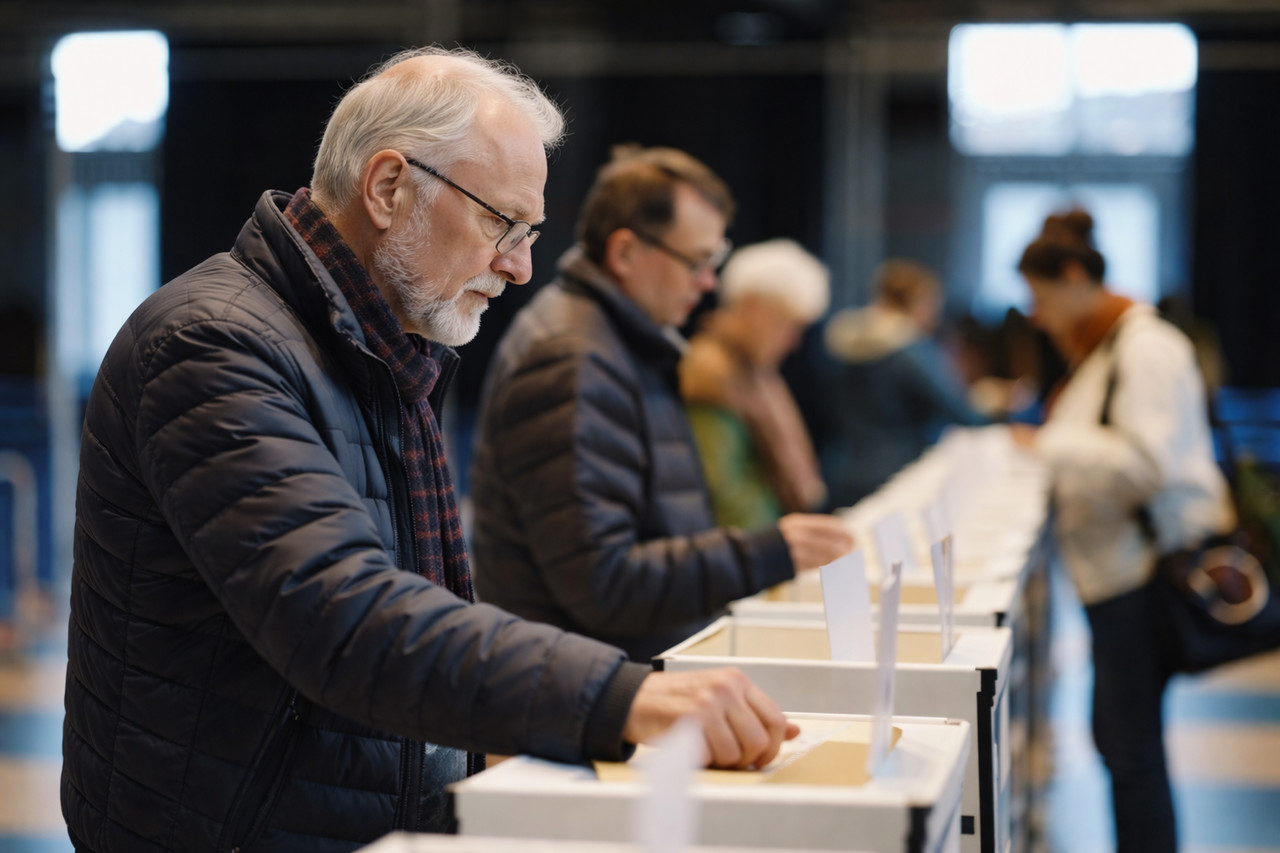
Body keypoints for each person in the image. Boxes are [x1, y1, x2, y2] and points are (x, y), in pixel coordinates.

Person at [61, 49, 804, 853]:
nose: (519, 266)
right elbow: (340, 613)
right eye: (502, 223)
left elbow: (422, 602)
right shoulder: (213, 344)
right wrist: (618, 697)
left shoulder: (381, 346)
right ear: (388, 188)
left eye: (530, 233)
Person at [469, 145, 854, 662]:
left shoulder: (619, 344)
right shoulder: (573, 359)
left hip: (621, 682)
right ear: (625, 253)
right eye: (696, 261)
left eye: (713, 262)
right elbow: (603, 583)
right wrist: (765, 553)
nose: (709, 282)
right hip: (586, 703)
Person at [1009, 209, 1234, 853]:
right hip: (1115, 576)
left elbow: (1146, 465)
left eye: (1042, 296)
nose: (1037, 315)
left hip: (1141, 575)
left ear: (1076, 277)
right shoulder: (1107, 351)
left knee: (1131, 751)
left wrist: (1050, 444)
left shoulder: (1145, 348)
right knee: (1121, 743)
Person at [679, 238, 829, 529]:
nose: (793, 341)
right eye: (787, 323)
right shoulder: (711, 372)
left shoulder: (752, 369)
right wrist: (780, 548)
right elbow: (722, 492)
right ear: (752, 308)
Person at [822, 257, 989, 507]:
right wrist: (996, 406)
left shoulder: (841, 342)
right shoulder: (910, 350)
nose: (934, 315)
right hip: (897, 471)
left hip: (843, 468)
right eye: (932, 304)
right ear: (918, 302)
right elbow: (956, 410)